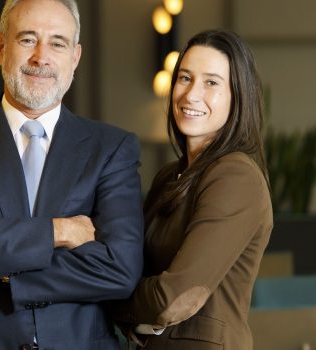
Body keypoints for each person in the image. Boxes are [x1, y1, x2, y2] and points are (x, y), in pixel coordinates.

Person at [0, 0, 143, 349]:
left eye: (57, 42)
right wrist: (60, 231)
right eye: (27, 39)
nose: (41, 57)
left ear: (75, 57)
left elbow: (120, 270)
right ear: (0, 48)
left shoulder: (112, 148)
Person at [113, 29, 273, 349]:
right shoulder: (170, 177)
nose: (191, 95)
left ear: (237, 95)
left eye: (211, 82)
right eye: (185, 78)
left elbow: (177, 297)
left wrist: (105, 297)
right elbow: (128, 263)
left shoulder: (235, 176)